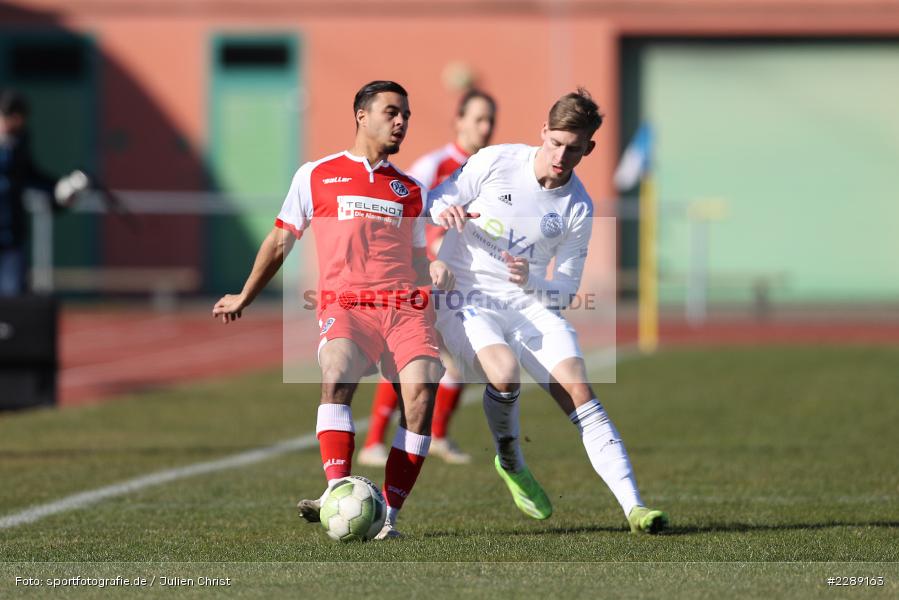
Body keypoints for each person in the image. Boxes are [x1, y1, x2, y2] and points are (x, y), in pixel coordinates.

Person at [212, 80, 453, 540]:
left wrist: (436, 268)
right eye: (391, 112)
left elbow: (419, 259)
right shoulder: (316, 175)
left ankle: (388, 518)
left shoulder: (411, 190)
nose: (401, 121)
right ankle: (338, 490)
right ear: (362, 115)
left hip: (404, 308)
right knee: (337, 371)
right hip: (347, 305)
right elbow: (280, 240)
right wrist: (246, 294)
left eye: (406, 114)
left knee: (421, 396)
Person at [428, 88, 669, 534]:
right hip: (467, 296)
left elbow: (566, 291)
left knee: (579, 389)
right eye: (555, 143)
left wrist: (532, 282)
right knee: (504, 374)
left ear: (588, 148)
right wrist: (446, 209)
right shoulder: (496, 161)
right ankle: (511, 459)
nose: (561, 156)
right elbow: (437, 197)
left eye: (573, 149)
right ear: (543, 132)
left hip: (530, 303)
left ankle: (635, 509)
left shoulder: (578, 207)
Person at [359, 89, 497, 466]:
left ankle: (434, 436)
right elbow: (405, 212)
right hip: (422, 274)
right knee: (410, 357)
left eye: (490, 120)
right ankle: (374, 442)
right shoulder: (433, 165)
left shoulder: (491, 169)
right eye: (478, 119)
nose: (485, 127)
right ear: (459, 121)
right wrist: (431, 253)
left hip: (464, 279)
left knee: (458, 362)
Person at [0, 90, 86, 296]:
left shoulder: (19, 144)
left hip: (11, 237)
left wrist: (60, 189)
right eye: (8, 116)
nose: (13, 123)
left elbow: (29, 176)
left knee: (13, 297)